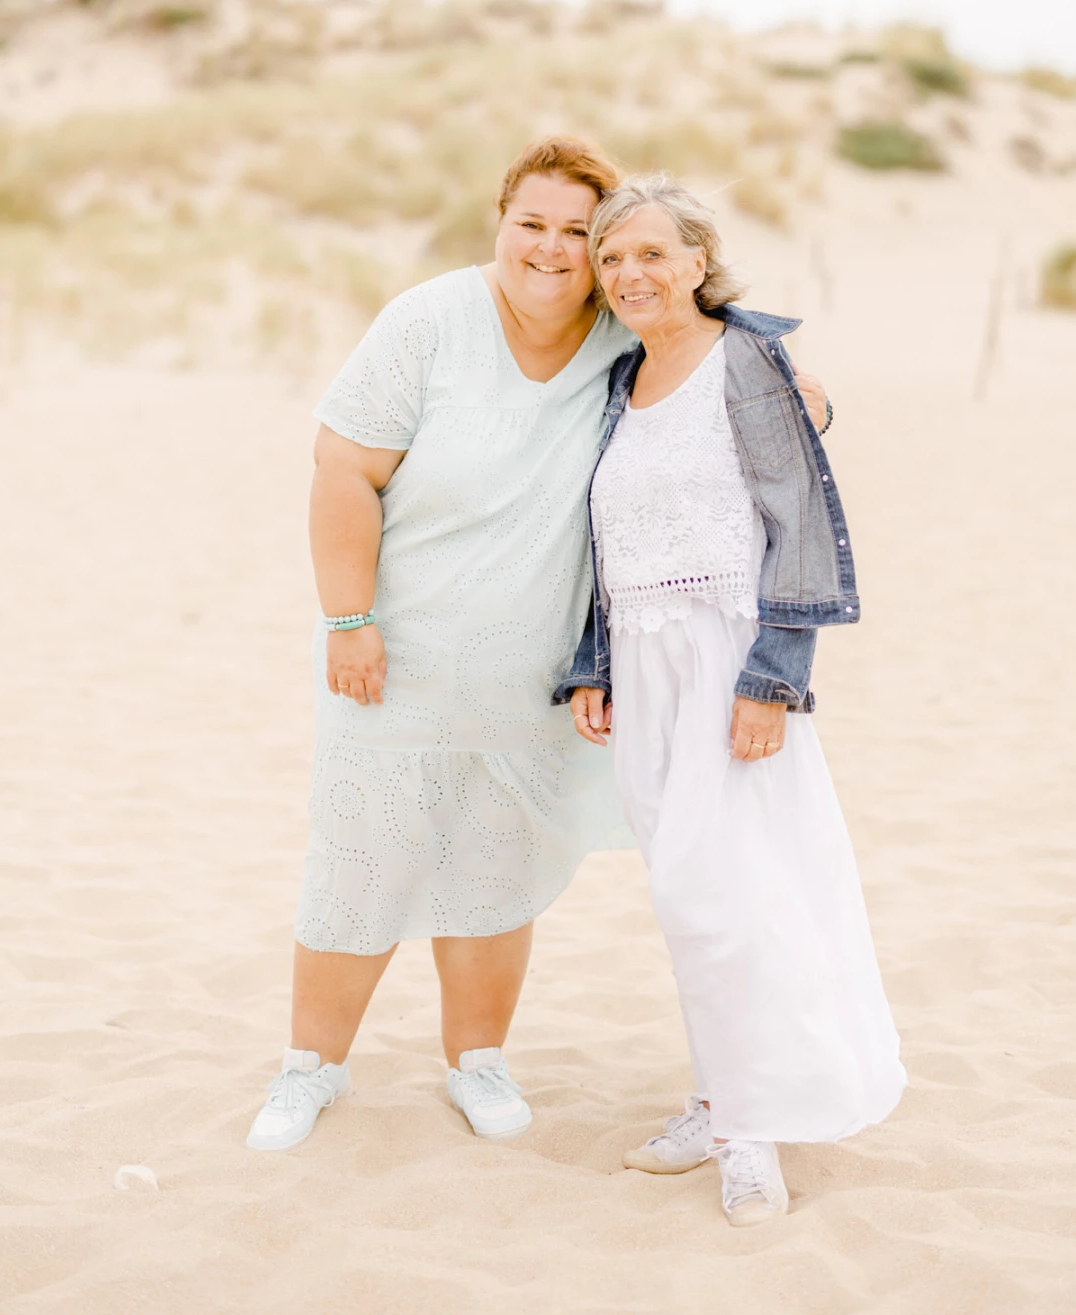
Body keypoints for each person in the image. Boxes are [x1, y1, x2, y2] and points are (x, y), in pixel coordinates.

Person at [246, 136, 837, 1153]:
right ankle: (311, 1070)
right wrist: (349, 619)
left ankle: (477, 1062)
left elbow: (752, 373)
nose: (555, 250)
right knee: (360, 862)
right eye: (535, 224)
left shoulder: (624, 331)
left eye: (580, 233)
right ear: (501, 220)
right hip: (393, 660)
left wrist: (793, 398)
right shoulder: (428, 321)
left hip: (539, 678)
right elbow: (341, 471)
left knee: (495, 867)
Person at [561, 173, 905, 1227]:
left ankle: (750, 1133)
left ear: (699, 261)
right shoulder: (618, 381)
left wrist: (776, 680)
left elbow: (797, 521)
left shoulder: (747, 361)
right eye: (612, 258)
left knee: (730, 899)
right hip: (647, 674)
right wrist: (596, 660)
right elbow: (605, 538)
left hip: (730, 663)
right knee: (687, 899)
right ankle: (718, 1098)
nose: (630, 275)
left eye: (652, 254)